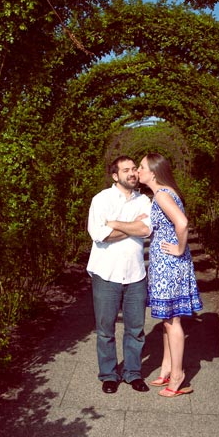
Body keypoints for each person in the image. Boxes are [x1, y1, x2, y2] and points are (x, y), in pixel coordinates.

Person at [137, 152, 203, 398]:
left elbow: (182, 223)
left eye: (141, 167)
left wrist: (180, 248)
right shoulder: (162, 194)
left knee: (172, 320)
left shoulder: (163, 194)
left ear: (153, 172)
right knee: (167, 318)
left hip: (170, 265)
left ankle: (177, 376)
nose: (138, 171)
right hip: (166, 265)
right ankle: (166, 368)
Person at [86, 156, 152, 394]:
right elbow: (99, 234)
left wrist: (115, 223)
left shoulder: (144, 200)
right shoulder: (101, 199)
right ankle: (109, 375)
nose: (133, 173)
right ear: (115, 176)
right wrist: (130, 226)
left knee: (135, 328)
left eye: (135, 169)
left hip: (136, 275)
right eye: (126, 170)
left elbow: (145, 229)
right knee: (105, 329)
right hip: (106, 274)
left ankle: (133, 373)